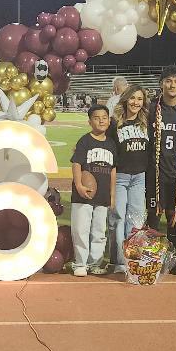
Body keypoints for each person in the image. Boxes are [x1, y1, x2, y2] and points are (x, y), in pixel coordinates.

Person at [70, 105, 117, 277]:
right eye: (96, 118)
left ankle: (95, 263)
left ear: (109, 121)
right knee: (81, 230)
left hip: (103, 195)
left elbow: (113, 170)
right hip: (83, 195)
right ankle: (80, 263)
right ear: (90, 122)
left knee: (99, 232)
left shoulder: (111, 144)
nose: (101, 121)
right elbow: (76, 164)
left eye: (104, 117)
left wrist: (112, 195)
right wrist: (78, 185)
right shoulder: (85, 141)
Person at [108, 85, 149, 273]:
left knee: (136, 219)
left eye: (139, 99)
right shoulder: (114, 123)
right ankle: (118, 261)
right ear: (125, 100)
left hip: (139, 177)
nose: (135, 102)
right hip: (120, 177)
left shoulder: (145, 122)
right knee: (118, 218)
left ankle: (132, 258)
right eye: (132, 98)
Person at [147, 66, 176, 250]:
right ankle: (151, 255)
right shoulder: (151, 108)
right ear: (161, 84)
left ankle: (173, 253)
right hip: (155, 172)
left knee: (173, 215)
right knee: (153, 215)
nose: (172, 85)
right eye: (168, 81)